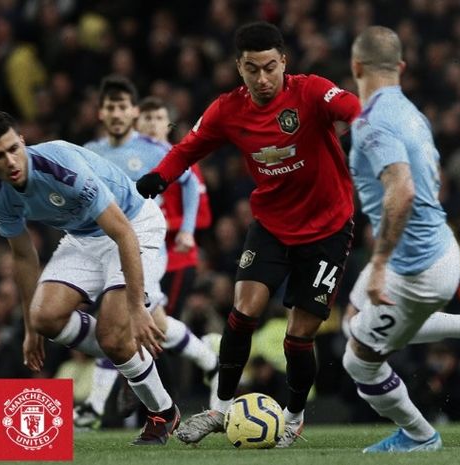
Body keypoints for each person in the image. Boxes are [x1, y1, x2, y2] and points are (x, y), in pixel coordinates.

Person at [137, 21, 360, 447]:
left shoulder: (311, 91)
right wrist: (160, 176)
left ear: (284, 63)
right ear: (239, 68)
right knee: (243, 311)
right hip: (272, 226)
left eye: (270, 68)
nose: (262, 79)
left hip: (328, 228)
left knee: (298, 336)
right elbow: (189, 146)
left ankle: (293, 420)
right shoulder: (228, 109)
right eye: (252, 70)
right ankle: (219, 411)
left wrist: (369, 123)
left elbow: (352, 109)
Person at [0, 110, 179, 445]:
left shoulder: (62, 169)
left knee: (114, 335)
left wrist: (137, 308)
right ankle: (126, 357)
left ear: (23, 141)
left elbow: (123, 233)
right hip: (83, 236)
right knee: (45, 317)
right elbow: (24, 256)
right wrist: (29, 327)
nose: (10, 160)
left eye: (14, 148)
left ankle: (163, 412)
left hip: (133, 225)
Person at [340, 25, 460, 453]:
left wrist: (378, 265)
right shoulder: (414, 113)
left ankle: (420, 435)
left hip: (417, 267)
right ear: (402, 67)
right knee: (354, 321)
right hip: (443, 247)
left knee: (358, 361)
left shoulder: (371, 122)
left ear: (355, 67)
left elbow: (403, 189)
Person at [73, 76, 218, 428]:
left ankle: (97, 405)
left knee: (122, 321)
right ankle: (210, 361)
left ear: (133, 112)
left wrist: (184, 230)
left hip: (152, 251)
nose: (118, 113)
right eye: (111, 106)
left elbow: (188, 182)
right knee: (151, 324)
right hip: (110, 250)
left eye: (124, 106)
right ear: (101, 113)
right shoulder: (90, 151)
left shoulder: (157, 150)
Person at [135, 96, 212, 319]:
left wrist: (167, 224)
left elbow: (204, 217)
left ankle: (203, 354)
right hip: (139, 257)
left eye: (159, 118)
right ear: (136, 124)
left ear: (168, 125)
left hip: (175, 258)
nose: (152, 124)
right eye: (146, 118)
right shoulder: (127, 163)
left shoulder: (184, 163)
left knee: (161, 326)